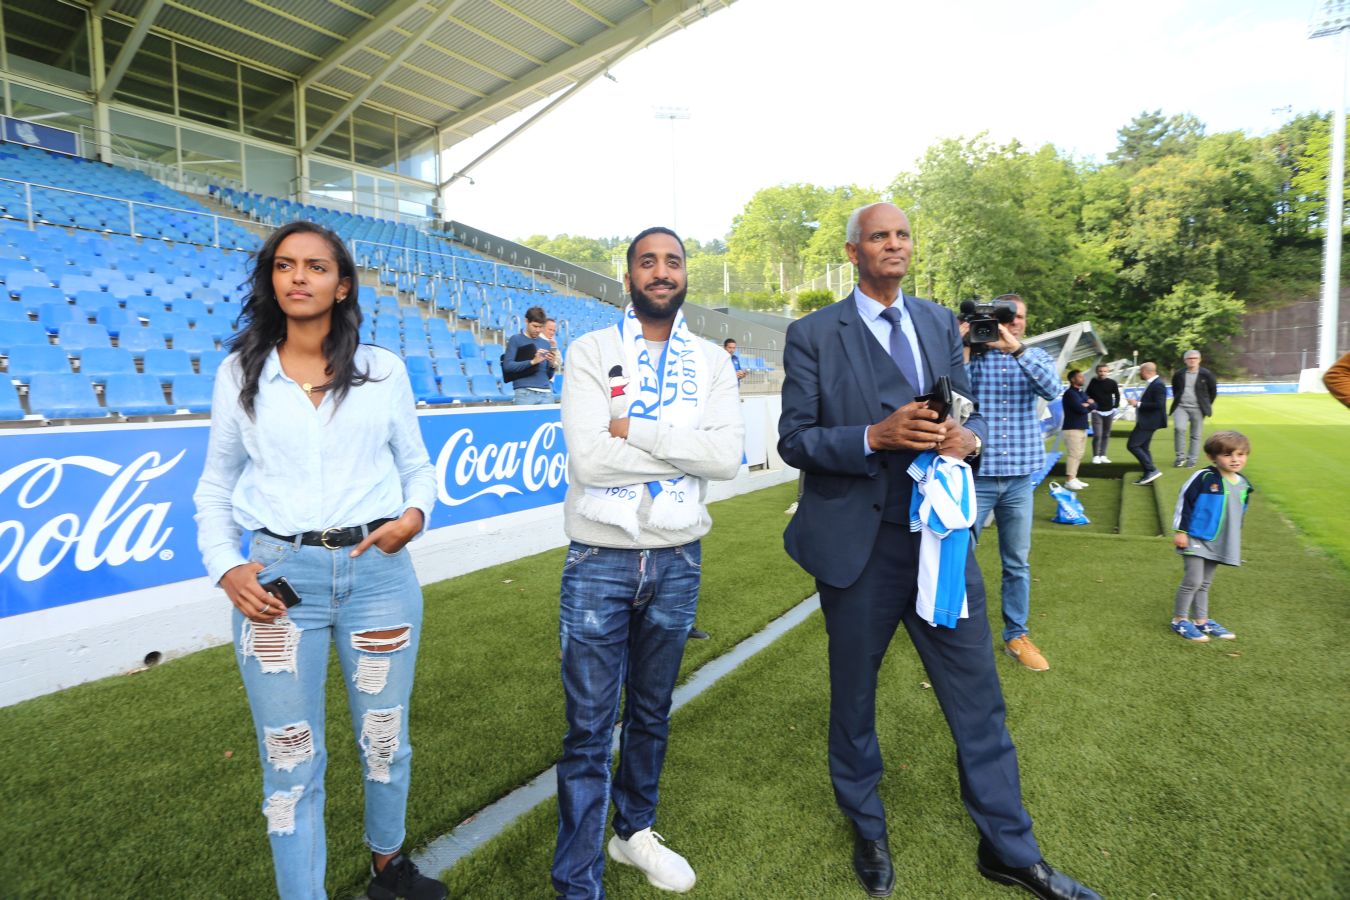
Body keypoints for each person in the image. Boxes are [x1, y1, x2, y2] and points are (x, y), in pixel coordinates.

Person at [779, 203, 1099, 900]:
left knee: (978, 699)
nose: (893, 245)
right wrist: (874, 436)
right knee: (854, 702)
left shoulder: (933, 322)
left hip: (942, 542)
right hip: (857, 552)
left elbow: (962, 409)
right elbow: (795, 439)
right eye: (878, 237)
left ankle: (1010, 848)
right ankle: (866, 828)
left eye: (901, 235)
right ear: (853, 251)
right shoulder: (811, 335)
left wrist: (969, 439)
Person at [192, 221, 446, 900]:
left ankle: (389, 868)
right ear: (270, 280)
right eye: (284, 265)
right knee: (290, 760)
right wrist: (226, 565)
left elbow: (417, 467)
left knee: (386, 744)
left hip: (379, 579)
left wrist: (412, 517)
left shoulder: (383, 369)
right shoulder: (240, 373)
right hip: (278, 583)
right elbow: (216, 485)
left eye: (315, 266)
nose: (298, 277)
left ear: (343, 283)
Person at [552, 226, 743, 899]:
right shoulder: (591, 350)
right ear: (628, 274)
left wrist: (634, 428)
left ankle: (633, 833)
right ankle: (577, 881)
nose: (661, 272)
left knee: (653, 713)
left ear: (686, 274)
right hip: (600, 559)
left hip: (677, 557)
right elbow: (588, 460)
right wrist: (683, 446)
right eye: (647, 261)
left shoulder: (710, 362)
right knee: (588, 729)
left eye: (673, 261)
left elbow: (726, 458)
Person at [963, 294, 1060, 672]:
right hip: (975, 475)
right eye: (1005, 317)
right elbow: (953, 395)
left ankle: (1016, 635)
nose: (1011, 323)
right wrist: (968, 343)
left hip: (1020, 477)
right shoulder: (972, 356)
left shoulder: (1035, 356)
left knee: (1017, 562)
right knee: (960, 556)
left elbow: (1052, 390)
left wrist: (1016, 349)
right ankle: (957, 630)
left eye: (1016, 318)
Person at [1169, 431, 1254, 642]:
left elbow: (1239, 512)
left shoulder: (1243, 484)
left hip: (1220, 540)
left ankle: (1201, 621)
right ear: (1212, 457)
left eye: (1241, 454)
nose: (1235, 459)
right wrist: (1181, 531)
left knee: (1205, 583)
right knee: (1193, 580)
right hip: (1196, 537)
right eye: (1228, 455)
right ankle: (1179, 620)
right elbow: (1185, 501)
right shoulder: (1204, 477)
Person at [1169, 350, 1218, 467]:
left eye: (1195, 358)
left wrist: (1205, 404)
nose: (1192, 360)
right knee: (1179, 429)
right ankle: (1180, 457)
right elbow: (1175, 389)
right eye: (1189, 358)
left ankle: (1192, 459)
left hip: (1198, 408)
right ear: (1185, 360)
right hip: (1181, 407)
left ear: (1199, 360)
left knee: (1196, 435)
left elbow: (1213, 392)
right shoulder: (1179, 374)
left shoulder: (1206, 374)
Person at [503, 305, 556, 404]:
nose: (537, 330)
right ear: (526, 321)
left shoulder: (545, 343)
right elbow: (508, 366)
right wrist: (532, 362)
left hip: (546, 393)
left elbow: (548, 375)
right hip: (525, 392)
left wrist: (552, 365)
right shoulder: (516, 339)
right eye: (535, 326)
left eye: (540, 327)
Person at [1127, 362, 1167, 485]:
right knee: (1144, 447)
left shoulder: (1158, 385)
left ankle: (1151, 469)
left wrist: (1137, 404)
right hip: (1148, 421)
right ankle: (1148, 474)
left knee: (1133, 445)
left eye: (1140, 371)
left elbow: (1159, 405)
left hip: (1149, 422)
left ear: (1145, 371)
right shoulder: (1154, 384)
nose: (1140, 374)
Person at [1060, 369, 1094, 491]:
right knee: (1074, 454)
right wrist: (1087, 405)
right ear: (1072, 379)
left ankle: (1074, 477)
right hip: (1072, 428)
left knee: (1079, 454)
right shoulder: (1070, 394)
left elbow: (1094, 405)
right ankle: (1069, 480)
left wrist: (1088, 404)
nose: (1082, 378)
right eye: (1079, 377)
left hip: (1081, 427)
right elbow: (1081, 410)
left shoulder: (1081, 393)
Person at [1085, 363, 1120, 463]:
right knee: (1098, 434)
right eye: (1100, 371)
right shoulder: (1093, 382)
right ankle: (1096, 455)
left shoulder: (1112, 382)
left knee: (1106, 434)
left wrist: (1115, 406)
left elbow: (1117, 395)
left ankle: (1103, 455)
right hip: (1097, 412)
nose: (1102, 373)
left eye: (1105, 371)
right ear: (1097, 372)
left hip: (1109, 411)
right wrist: (1092, 406)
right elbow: (1087, 395)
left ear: (1108, 372)